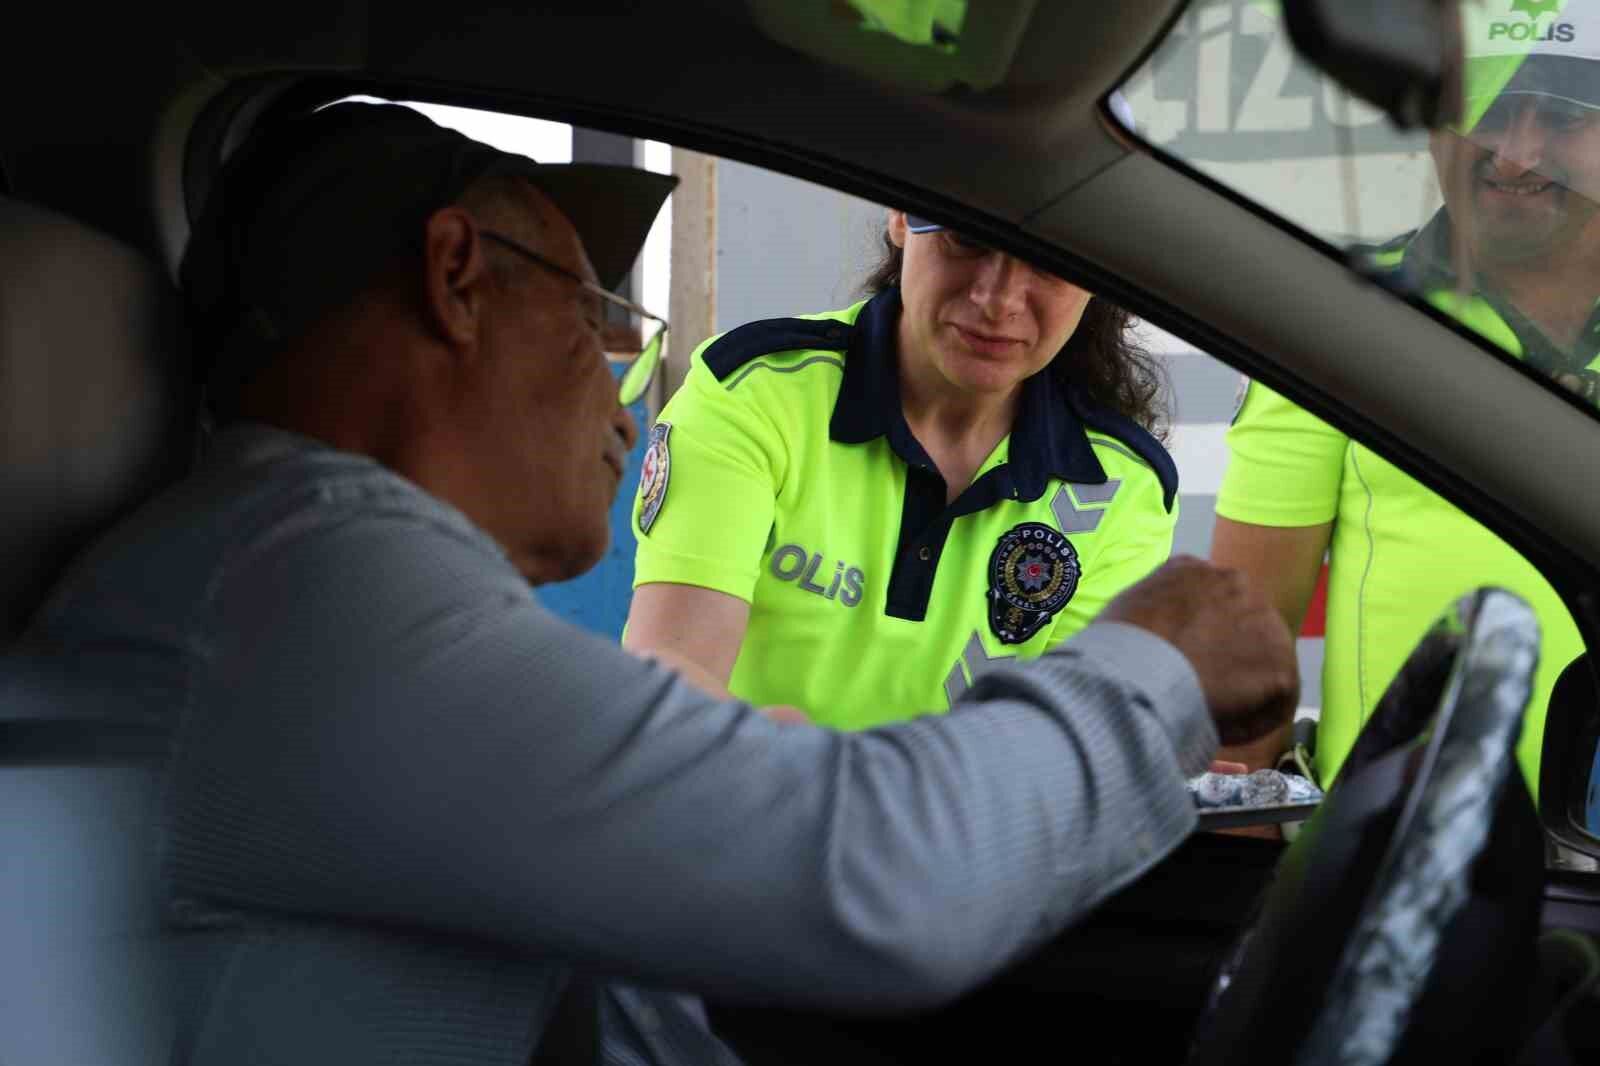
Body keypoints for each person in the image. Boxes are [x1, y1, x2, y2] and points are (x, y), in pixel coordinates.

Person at [28, 101, 1296, 1065]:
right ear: (456, 279)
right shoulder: (311, 590)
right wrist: (1162, 652)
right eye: (591, 314)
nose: (628, 401)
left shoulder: (307, 572)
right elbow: (872, 884)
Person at [1211, 3, 1600, 788]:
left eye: (1560, 115)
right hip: (1387, 872)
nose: (1516, 153)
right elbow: (1242, 655)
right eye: (1486, 105)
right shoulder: (1337, 321)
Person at [624, 213, 1179, 727]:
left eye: (1052, 262)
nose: (998, 298)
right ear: (898, 216)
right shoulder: (754, 394)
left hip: (966, 830)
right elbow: (673, 690)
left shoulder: (1122, 484)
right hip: (748, 817)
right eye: (966, 238)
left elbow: (1074, 748)